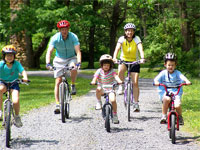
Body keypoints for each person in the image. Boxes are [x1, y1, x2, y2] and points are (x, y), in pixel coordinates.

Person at [46, 20, 81, 114]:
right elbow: (49, 51)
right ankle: (57, 104)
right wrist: (48, 63)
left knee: (73, 67)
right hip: (59, 59)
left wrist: (79, 62)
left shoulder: (73, 37)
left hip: (71, 58)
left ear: (68, 29)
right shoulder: (55, 38)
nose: (64, 31)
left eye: (65, 29)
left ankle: (73, 84)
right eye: (62, 29)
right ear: (59, 30)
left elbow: (78, 51)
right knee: (58, 81)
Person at [113, 23, 145, 112]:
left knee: (135, 83)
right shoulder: (122, 39)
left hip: (135, 61)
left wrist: (142, 58)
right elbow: (117, 49)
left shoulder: (136, 39)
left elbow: (140, 49)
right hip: (124, 60)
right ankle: (121, 86)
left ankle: (136, 103)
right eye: (127, 30)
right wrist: (114, 58)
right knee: (120, 70)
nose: (129, 32)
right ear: (125, 31)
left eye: (131, 30)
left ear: (133, 31)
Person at [154, 53, 191, 125]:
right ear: (165, 65)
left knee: (177, 105)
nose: (170, 67)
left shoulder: (177, 73)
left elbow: (183, 77)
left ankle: (180, 117)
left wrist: (187, 81)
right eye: (169, 65)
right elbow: (156, 79)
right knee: (166, 99)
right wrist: (156, 82)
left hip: (176, 91)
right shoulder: (163, 73)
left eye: (172, 65)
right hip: (165, 91)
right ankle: (164, 116)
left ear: (175, 65)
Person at [0, 45, 29, 127]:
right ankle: (0, 111)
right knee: (0, 89)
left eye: (11, 55)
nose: (9, 57)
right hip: (3, 82)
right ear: (4, 56)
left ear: (14, 56)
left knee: (15, 100)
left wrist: (25, 77)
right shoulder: (1, 64)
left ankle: (16, 116)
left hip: (14, 83)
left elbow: (23, 71)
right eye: (7, 55)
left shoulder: (16, 64)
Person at [91, 54, 123, 124]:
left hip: (110, 88)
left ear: (110, 66)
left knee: (113, 100)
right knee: (98, 88)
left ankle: (115, 114)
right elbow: (95, 77)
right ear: (102, 65)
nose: (106, 67)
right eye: (104, 65)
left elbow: (116, 77)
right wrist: (93, 81)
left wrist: (119, 81)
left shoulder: (112, 71)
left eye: (108, 65)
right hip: (102, 88)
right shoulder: (99, 71)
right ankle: (99, 102)